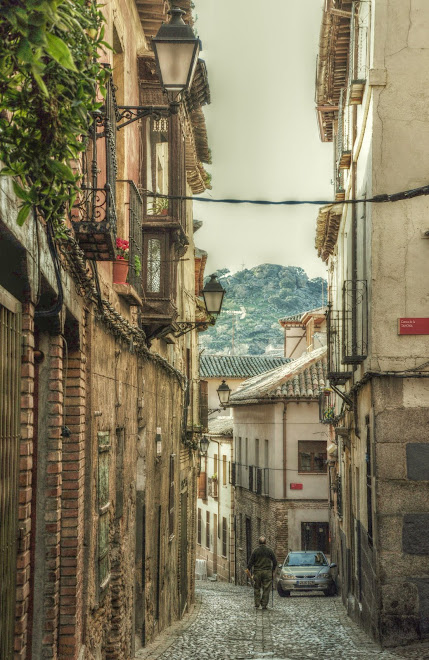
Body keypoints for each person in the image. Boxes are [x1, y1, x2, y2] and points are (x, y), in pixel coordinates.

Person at [246, 536, 278, 610]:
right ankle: (264, 604)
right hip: (267, 572)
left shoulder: (255, 551)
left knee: (256, 588)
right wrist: (272, 571)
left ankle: (257, 604)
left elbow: (250, 563)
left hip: (257, 572)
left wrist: (249, 571)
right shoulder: (269, 551)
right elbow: (275, 562)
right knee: (266, 589)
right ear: (266, 542)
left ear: (259, 543)